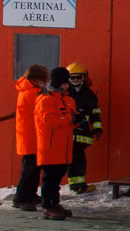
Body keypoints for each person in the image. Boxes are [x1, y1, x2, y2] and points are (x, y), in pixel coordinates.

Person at [34, 67, 77, 219]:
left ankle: (54, 203)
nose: (68, 85)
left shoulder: (67, 100)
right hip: (51, 147)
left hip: (63, 148)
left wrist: (79, 121)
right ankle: (48, 206)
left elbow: (69, 119)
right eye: (65, 82)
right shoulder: (45, 100)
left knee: (57, 177)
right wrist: (70, 119)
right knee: (50, 178)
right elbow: (49, 121)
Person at [11, 63, 49, 209]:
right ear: (37, 79)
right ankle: (21, 198)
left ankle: (29, 195)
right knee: (30, 169)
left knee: (32, 168)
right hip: (32, 137)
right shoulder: (33, 93)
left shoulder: (27, 90)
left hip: (28, 136)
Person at [66, 62, 102, 193]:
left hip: (83, 132)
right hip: (68, 131)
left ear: (83, 78)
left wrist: (97, 128)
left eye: (78, 77)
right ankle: (77, 185)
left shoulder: (89, 95)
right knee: (73, 159)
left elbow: (95, 113)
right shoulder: (64, 93)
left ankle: (79, 184)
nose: (75, 80)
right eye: (72, 77)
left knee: (79, 158)